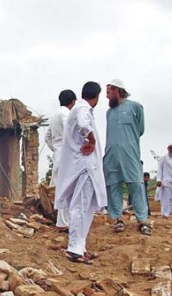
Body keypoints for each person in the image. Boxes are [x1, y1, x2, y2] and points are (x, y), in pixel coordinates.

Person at [54, 81, 106, 265]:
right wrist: (90, 140)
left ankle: (80, 247)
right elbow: (84, 124)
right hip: (84, 167)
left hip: (87, 167)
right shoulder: (82, 108)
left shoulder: (80, 109)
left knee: (87, 208)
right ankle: (74, 249)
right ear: (96, 96)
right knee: (80, 207)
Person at [102, 79, 151, 235]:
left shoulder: (135, 107)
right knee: (113, 185)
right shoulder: (109, 112)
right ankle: (118, 220)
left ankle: (142, 221)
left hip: (130, 153)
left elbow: (140, 129)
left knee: (136, 184)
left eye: (109, 92)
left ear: (117, 91)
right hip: (111, 154)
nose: (107, 96)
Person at [46, 89, 77, 231]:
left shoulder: (54, 115)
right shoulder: (66, 114)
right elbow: (70, 131)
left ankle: (61, 220)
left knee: (59, 188)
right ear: (73, 102)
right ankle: (63, 223)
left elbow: (47, 137)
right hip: (66, 154)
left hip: (58, 154)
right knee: (66, 189)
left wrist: (56, 149)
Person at [155, 144, 172, 217]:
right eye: (171, 148)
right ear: (168, 149)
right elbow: (160, 169)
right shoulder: (163, 158)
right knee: (165, 198)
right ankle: (165, 214)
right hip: (166, 181)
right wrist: (159, 179)